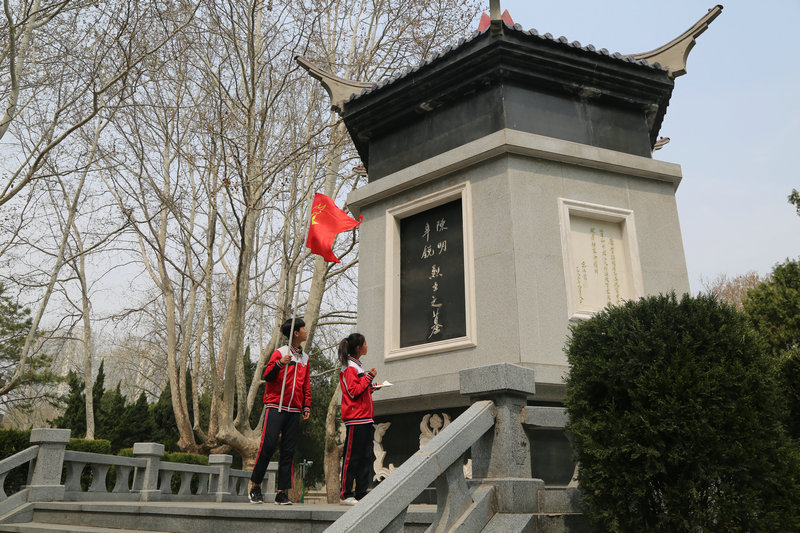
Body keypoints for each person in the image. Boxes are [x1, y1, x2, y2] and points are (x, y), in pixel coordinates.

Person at [249, 317, 311, 505]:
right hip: (275, 406)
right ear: (296, 333)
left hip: (294, 409)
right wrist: (280, 364)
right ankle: (255, 487)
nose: (306, 332)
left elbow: (306, 384)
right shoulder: (280, 353)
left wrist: (306, 405)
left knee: (289, 451)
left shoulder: (305, 358)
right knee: (267, 446)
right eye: (303, 329)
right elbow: (267, 376)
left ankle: (281, 492)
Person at [338, 333, 378, 505]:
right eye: (365, 343)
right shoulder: (349, 368)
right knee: (352, 457)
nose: (367, 346)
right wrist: (369, 378)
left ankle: (361, 493)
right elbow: (353, 391)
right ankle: (346, 494)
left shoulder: (357, 367)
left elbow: (360, 390)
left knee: (366, 456)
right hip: (356, 419)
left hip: (365, 419)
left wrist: (371, 387)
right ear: (358, 348)